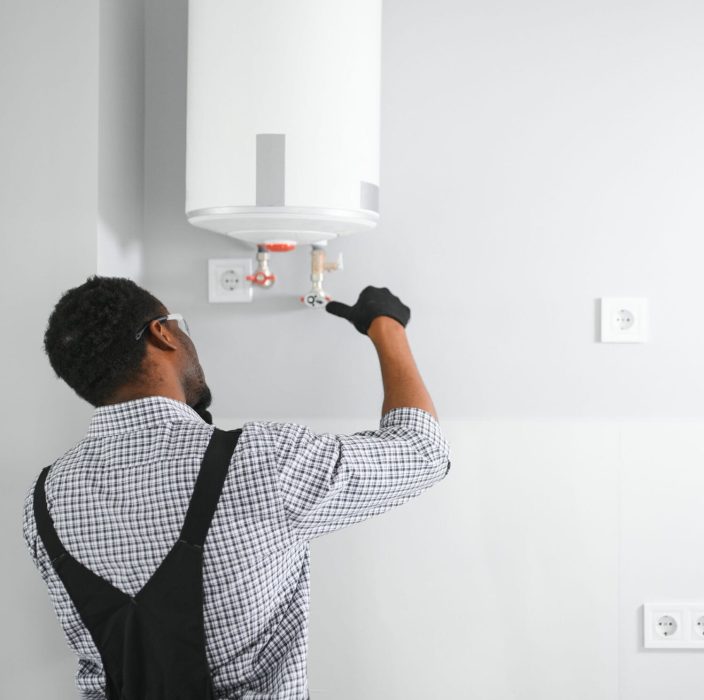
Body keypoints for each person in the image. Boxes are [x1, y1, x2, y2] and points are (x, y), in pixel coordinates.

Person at [22, 276, 450, 700]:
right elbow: (422, 449)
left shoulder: (44, 501)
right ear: (162, 333)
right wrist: (387, 326)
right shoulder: (260, 461)